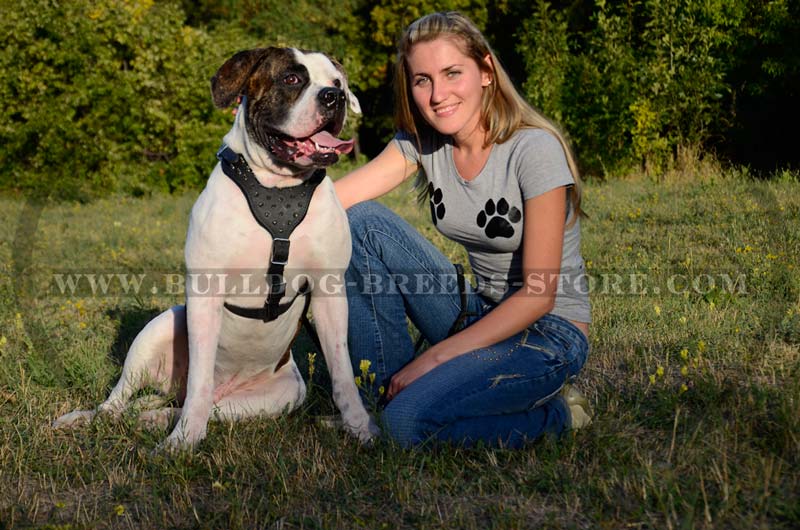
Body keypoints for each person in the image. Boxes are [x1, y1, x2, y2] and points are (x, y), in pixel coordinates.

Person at [333, 11, 591, 448]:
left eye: (453, 73)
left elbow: (539, 293)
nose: (438, 95)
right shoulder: (423, 142)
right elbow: (334, 202)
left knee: (407, 426)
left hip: (547, 330)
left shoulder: (534, 149)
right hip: (478, 309)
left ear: (486, 72)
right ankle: (375, 395)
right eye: (422, 80)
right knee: (362, 223)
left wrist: (433, 357)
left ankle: (557, 415)